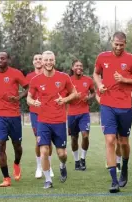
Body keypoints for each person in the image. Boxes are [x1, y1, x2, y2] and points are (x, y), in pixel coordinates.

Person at [93, 31, 132, 193]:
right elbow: (95, 73)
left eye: (121, 45)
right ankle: (114, 180)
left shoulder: (131, 59)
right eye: (116, 44)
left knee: (123, 142)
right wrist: (99, 84)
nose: (118, 47)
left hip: (125, 106)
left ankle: (125, 166)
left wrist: (125, 80)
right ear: (111, 42)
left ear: (125, 44)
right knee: (110, 140)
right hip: (107, 105)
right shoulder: (102, 57)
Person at [27, 50, 77, 189]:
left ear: (54, 61)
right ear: (42, 62)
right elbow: (28, 98)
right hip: (43, 121)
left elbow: (74, 93)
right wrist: (33, 102)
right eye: (46, 60)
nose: (48, 62)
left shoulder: (64, 77)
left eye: (51, 60)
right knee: (44, 151)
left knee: (62, 153)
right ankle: (48, 179)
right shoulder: (35, 80)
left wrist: (65, 99)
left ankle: (62, 165)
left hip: (59, 121)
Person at [0, 51, 29, 187]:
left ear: (8, 60)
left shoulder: (16, 73)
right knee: (0, 145)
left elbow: (28, 88)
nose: (0, 60)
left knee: (17, 146)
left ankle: (16, 163)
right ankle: (6, 178)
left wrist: (18, 97)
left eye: (3, 58)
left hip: (14, 116)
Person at [26, 53, 54, 179]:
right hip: (35, 112)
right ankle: (39, 167)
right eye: (35, 59)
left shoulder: (51, 74)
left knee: (49, 141)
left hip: (49, 112)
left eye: (39, 59)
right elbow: (28, 94)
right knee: (39, 140)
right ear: (33, 62)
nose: (38, 61)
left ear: (43, 61)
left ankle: (49, 166)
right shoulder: (30, 77)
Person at [67, 59, 95, 171]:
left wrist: (89, 98)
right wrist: (72, 97)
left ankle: (83, 159)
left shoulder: (88, 80)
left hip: (84, 113)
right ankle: (76, 161)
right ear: (72, 68)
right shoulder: (68, 80)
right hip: (72, 114)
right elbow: (63, 96)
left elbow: (93, 92)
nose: (79, 67)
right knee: (74, 139)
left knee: (85, 136)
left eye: (81, 65)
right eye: (76, 65)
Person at [96, 88, 123, 173]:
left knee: (120, 141)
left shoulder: (121, 79)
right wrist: (101, 101)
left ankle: (118, 162)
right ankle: (111, 161)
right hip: (108, 114)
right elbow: (97, 94)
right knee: (110, 140)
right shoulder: (104, 82)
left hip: (121, 112)